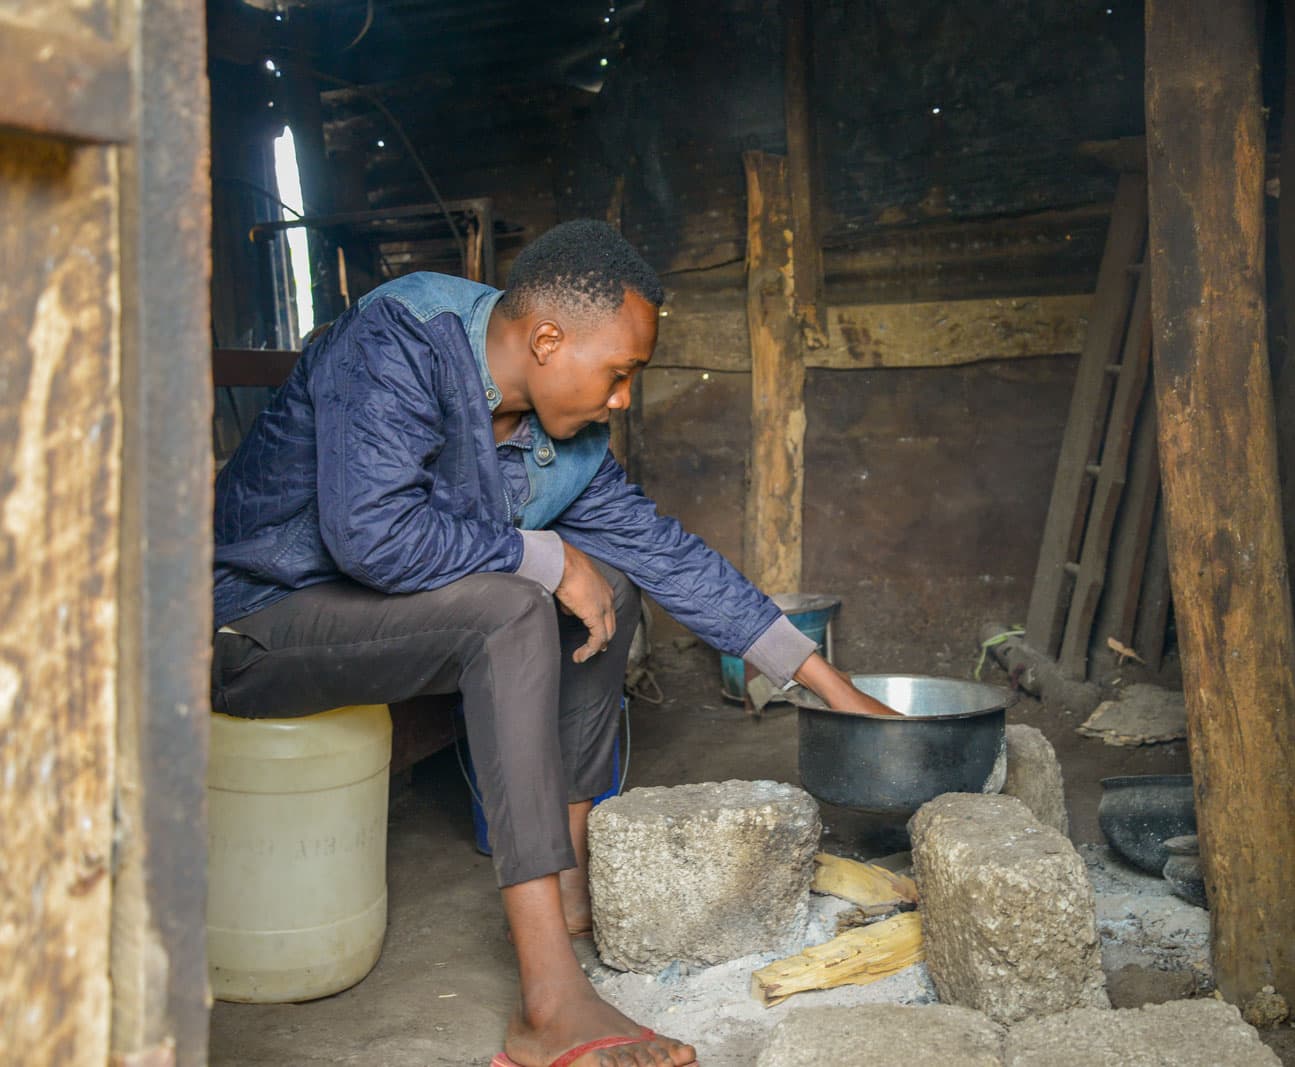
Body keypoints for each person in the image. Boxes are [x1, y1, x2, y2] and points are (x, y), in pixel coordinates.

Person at [211, 219, 897, 1067]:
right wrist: (545, 554)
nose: (623, 399)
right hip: (255, 622)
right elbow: (370, 533)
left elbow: (670, 556)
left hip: (374, 628)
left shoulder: (560, 441)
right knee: (517, 602)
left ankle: (565, 877)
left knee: (605, 584)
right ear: (545, 339)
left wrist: (832, 685)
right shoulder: (397, 341)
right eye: (619, 374)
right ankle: (549, 1000)